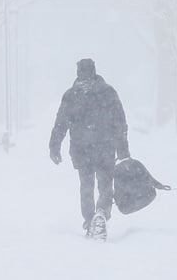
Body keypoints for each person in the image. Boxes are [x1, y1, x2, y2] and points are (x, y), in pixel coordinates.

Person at [49, 58, 130, 240]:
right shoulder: (108, 92)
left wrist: (54, 146)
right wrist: (123, 150)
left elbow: (61, 122)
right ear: (94, 72)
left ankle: (89, 220)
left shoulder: (71, 95)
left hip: (81, 148)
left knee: (86, 186)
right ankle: (102, 212)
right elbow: (120, 123)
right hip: (105, 147)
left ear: (78, 73)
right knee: (106, 185)